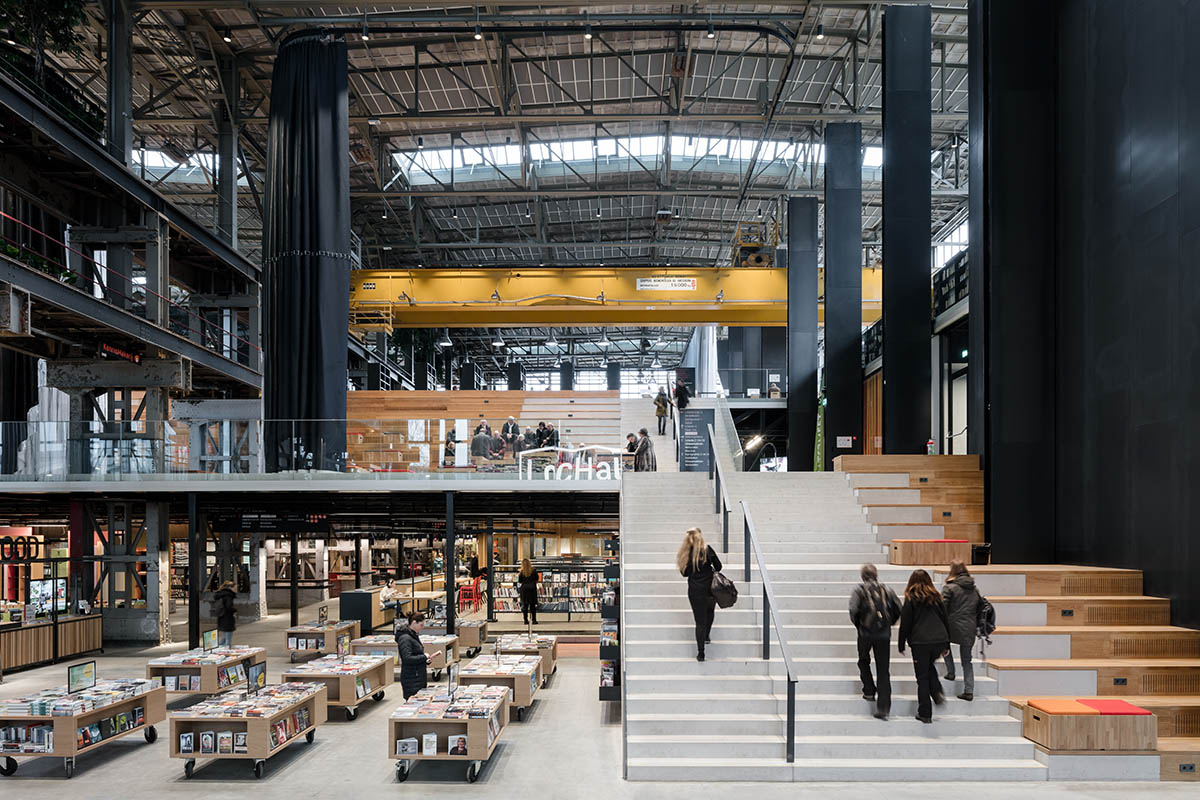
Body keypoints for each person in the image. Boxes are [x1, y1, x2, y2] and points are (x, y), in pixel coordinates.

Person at [898, 569, 951, 724]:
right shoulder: (936, 597)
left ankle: (925, 713)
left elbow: (905, 623)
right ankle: (936, 691)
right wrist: (947, 642)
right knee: (928, 667)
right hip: (939, 639)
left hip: (920, 641)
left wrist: (901, 643)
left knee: (922, 677)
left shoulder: (911, 598)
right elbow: (945, 619)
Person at [849, 564, 900, 721]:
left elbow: (853, 610)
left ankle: (869, 690)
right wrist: (889, 623)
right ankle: (883, 706)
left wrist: (859, 625)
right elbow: (898, 607)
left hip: (865, 633)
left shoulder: (859, 590)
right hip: (884, 634)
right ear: (876, 575)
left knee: (863, 660)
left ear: (863, 576)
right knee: (883, 669)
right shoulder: (887, 590)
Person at [677, 527, 721, 661]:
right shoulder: (708, 550)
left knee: (699, 621)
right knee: (710, 612)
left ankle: (701, 653)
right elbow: (719, 567)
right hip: (710, 590)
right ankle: (706, 636)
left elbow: (684, 573)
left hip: (695, 591)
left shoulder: (686, 553)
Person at [941, 559, 981, 701]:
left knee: (944, 646)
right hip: (970, 626)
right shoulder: (974, 589)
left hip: (952, 625)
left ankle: (950, 671)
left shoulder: (949, 588)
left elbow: (942, 608)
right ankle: (969, 690)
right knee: (967, 660)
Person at [395, 611, 434, 699]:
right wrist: (424, 657)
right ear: (413, 623)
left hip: (418, 676)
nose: (422, 627)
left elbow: (416, 654)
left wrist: (426, 660)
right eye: (421, 625)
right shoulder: (405, 638)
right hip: (412, 679)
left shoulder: (413, 635)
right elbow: (407, 658)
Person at [212, 580, 237, 648]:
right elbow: (229, 607)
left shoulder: (221, 594)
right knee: (228, 639)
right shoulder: (228, 595)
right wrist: (234, 610)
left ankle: (217, 648)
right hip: (227, 618)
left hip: (222, 617)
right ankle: (226, 651)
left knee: (224, 637)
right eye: (235, 587)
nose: (236, 589)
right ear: (230, 587)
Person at [518, 558, 539, 625]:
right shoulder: (534, 570)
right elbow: (537, 578)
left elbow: (520, 581)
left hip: (524, 589)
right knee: (532, 605)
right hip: (532, 589)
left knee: (525, 605)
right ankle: (534, 620)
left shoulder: (522, 572)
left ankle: (525, 620)